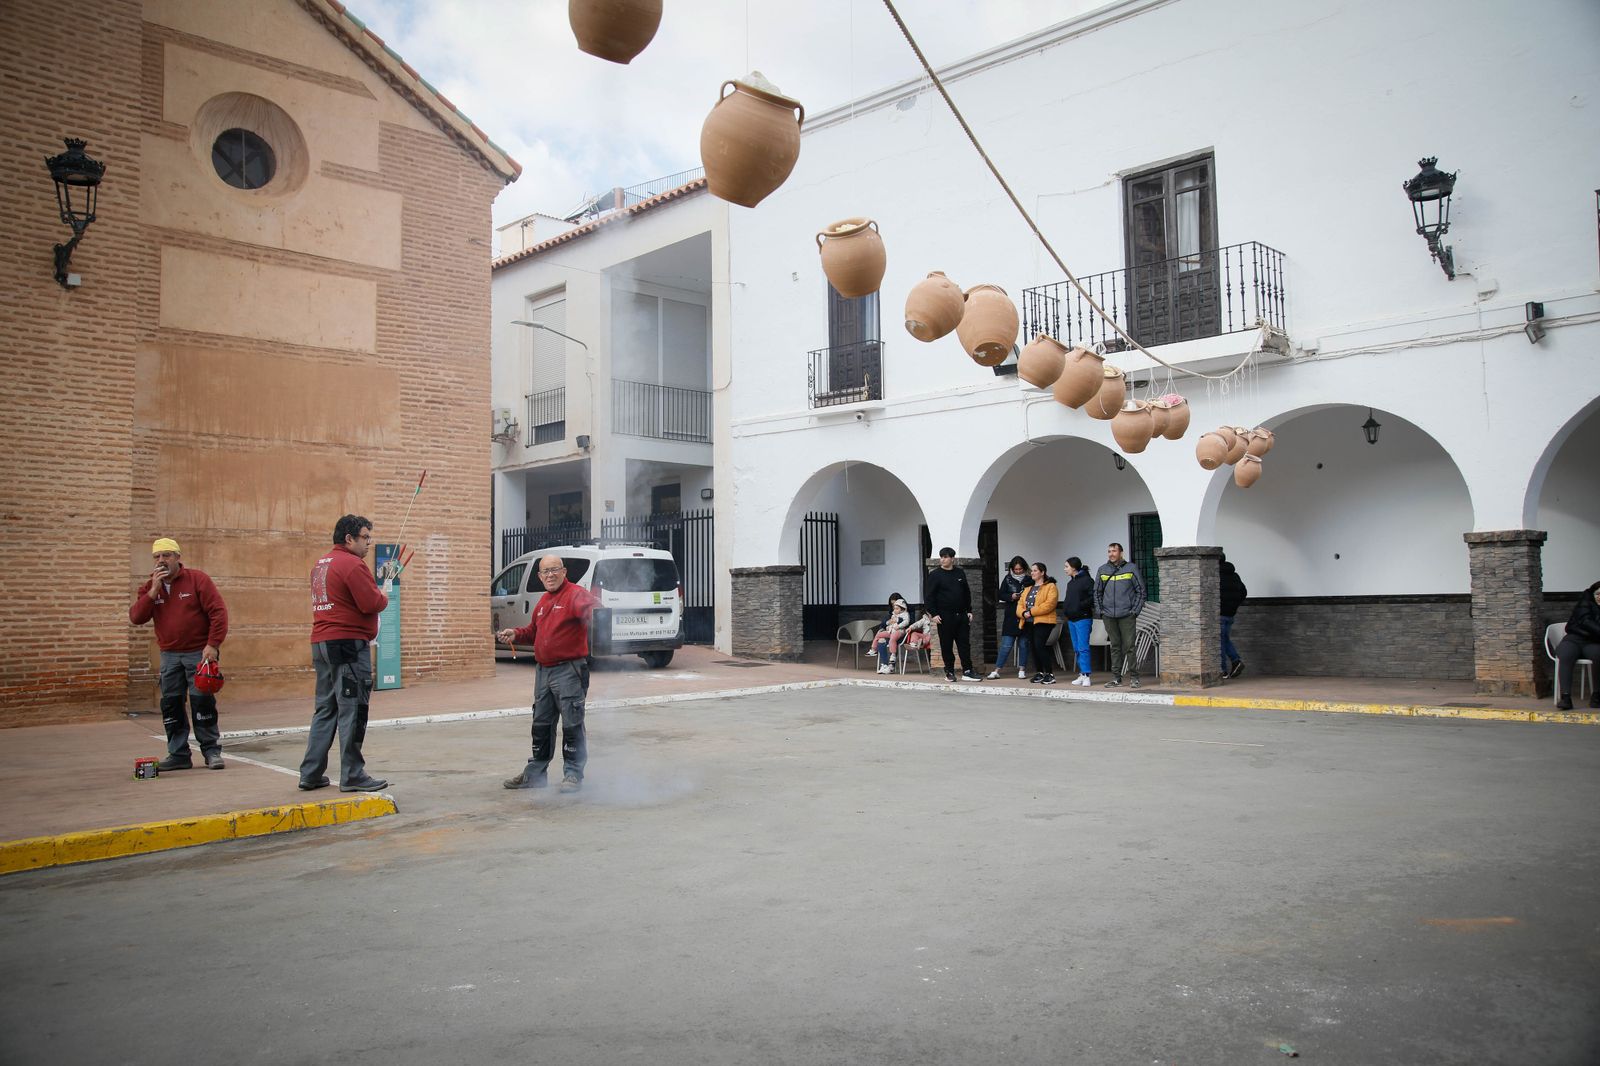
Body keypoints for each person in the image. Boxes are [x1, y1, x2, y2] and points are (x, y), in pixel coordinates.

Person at [299, 515, 390, 793]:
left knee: (325, 708)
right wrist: (383, 594)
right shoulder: (352, 565)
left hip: (322, 642)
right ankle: (352, 773)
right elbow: (371, 603)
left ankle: (311, 773)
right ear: (348, 539)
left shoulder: (320, 564)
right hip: (348, 645)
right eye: (364, 538)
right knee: (353, 708)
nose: (368, 544)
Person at [498, 555, 598, 792]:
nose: (550, 575)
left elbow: (595, 610)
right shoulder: (543, 601)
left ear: (564, 572)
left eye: (554, 570)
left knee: (572, 724)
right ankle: (535, 775)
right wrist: (516, 633)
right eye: (545, 572)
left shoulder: (575, 594)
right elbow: (534, 630)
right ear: (539, 576)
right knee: (541, 724)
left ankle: (573, 775)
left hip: (569, 670)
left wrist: (596, 615)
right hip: (543, 671)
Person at [129, 537, 229, 771]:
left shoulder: (197, 580)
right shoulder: (150, 587)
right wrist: (153, 591)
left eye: (167, 555)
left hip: (199, 654)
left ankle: (211, 751)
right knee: (171, 705)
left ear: (177, 557)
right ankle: (178, 754)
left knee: (202, 703)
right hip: (170, 655)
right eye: (157, 557)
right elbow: (136, 617)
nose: (162, 561)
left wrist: (213, 645)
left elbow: (218, 613)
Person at [924, 547, 983, 682]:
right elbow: (929, 596)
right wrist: (933, 614)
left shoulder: (960, 573)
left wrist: (969, 610)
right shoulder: (935, 575)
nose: (943, 559)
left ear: (952, 559)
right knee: (946, 645)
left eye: (945, 557)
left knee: (964, 644)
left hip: (961, 615)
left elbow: (966, 593)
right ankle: (949, 672)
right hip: (944, 616)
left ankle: (967, 671)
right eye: (941, 557)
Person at [1095, 542, 1147, 688]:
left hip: (1127, 614)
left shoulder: (1131, 568)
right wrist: (1101, 611)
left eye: (1114, 551)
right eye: (1109, 551)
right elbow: (1097, 592)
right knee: (1115, 646)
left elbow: (1141, 591)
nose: (1111, 554)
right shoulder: (1102, 570)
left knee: (1130, 646)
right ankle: (1116, 678)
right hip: (1109, 615)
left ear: (1121, 553)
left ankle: (1134, 677)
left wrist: (1134, 611)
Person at [1554, 580, 1600, 711]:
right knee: (1565, 655)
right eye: (1597, 594)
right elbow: (1586, 622)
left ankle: (1596, 695)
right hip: (1574, 639)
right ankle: (1565, 697)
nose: (1599, 597)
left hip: (1593, 642)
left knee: (1599, 656)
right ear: (1592, 594)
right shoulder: (1585, 603)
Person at [988, 556, 1033, 680]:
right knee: (1006, 645)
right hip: (1011, 615)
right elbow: (1000, 594)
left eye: (1020, 569)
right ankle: (997, 669)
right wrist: (1011, 596)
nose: (1018, 571)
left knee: (1024, 644)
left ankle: (1022, 669)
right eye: (1016, 569)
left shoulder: (1030, 579)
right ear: (1012, 569)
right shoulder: (1008, 579)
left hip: (1025, 615)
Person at [1018, 562, 1059, 685]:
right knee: (1034, 647)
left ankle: (1050, 674)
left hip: (1044, 621)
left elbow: (1049, 604)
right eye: (1032, 571)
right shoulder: (1027, 588)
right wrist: (1023, 613)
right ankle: (1040, 672)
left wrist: (1031, 612)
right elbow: (1020, 604)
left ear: (1042, 572)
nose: (1032, 573)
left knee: (1040, 645)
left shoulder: (1051, 586)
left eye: (1035, 570)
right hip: (1029, 622)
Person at [1061, 556, 1095, 686]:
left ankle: (1086, 675)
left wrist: (1079, 606)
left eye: (1066, 566)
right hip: (1072, 619)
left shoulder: (1087, 581)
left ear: (1074, 567)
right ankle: (1082, 673)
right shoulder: (1071, 583)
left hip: (1083, 618)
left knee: (1083, 647)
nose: (1065, 569)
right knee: (1076, 648)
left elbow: (1092, 598)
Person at [1220, 553, 1249, 679]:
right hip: (1230, 614)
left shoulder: (1216, 575)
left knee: (1219, 642)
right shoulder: (1235, 576)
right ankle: (1236, 661)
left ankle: (1222, 670)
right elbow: (1244, 592)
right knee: (1224, 639)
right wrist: (1234, 605)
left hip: (1219, 614)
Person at [872, 594, 912, 674]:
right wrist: (885, 626)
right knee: (881, 640)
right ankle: (884, 664)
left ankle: (891, 666)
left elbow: (910, 622)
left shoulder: (909, 611)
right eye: (892, 605)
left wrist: (897, 620)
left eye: (895, 605)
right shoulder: (892, 612)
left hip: (901, 634)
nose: (894, 607)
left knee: (893, 639)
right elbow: (884, 623)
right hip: (891, 632)